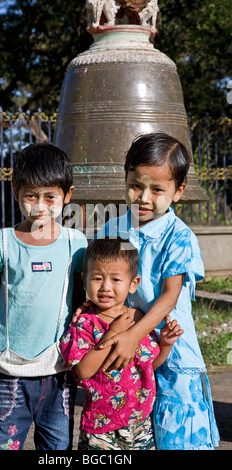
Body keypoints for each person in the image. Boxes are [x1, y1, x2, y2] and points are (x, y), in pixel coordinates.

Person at [0, 143, 87, 450]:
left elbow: (81, 304)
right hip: (7, 372)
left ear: (67, 195)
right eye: (30, 195)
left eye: (50, 196)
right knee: (2, 444)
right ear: (16, 193)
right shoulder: (4, 243)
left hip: (59, 372)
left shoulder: (75, 244)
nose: (40, 206)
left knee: (57, 448)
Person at [91, 132, 220, 450]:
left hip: (171, 352)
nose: (144, 198)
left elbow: (169, 297)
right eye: (136, 185)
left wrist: (133, 333)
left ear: (178, 191)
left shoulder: (179, 237)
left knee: (175, 438)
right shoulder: (112, 230)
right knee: (131, 439)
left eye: (157, 189)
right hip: (126, 356)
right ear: (125, 180)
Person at [61, 237, 184, 450]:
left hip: (140, 423)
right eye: (98, 278)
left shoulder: (138, 319)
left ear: (133, 283)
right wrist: (113, 333)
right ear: (84, 278)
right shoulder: (84, 324)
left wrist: (165, 345)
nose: (105, 287)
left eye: (116, 280)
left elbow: (148, 366)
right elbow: (83, 370)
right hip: (101, 426)